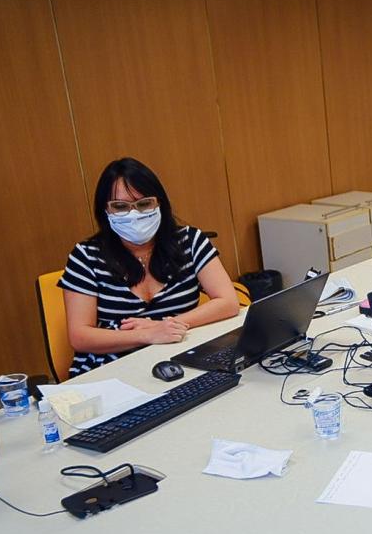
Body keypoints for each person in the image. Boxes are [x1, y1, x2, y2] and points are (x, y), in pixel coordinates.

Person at [59, 157, 240, 377]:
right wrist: (147, 335)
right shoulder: (86, 256)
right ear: (105, 211)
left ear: (159, 203)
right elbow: (80, 337)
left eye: (144, 204)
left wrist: (169, 325)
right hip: (110, 370)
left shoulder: (190, 241)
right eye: (120, 207)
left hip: (179, 358)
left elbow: (228, 302)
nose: (134, 214)